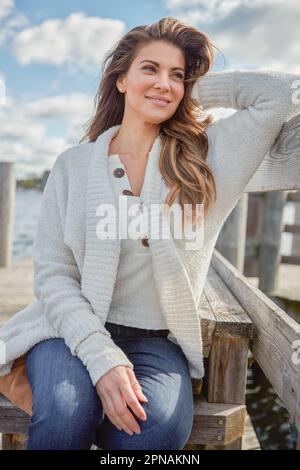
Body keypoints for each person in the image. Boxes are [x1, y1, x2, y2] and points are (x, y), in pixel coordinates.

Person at [0, 16, 300, 450]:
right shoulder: (73, 166)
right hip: (70, 329)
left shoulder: (209, 159)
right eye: (149, 69)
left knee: (152, 431)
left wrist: (188, 89)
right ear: (120, 80)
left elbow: (285, 94)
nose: (164, 83)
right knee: (67, 414)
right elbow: (53, 275)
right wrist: (102, 359)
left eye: (176, 73)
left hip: (157, 341)